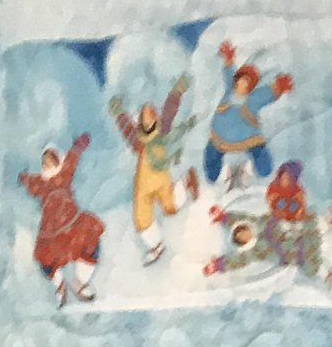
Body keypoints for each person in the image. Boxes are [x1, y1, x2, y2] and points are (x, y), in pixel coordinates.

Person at [109, 77, 199, 265]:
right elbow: (126, 127)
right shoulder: (138, 140)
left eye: (151, 116)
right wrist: (118, 112)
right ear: (141, 121)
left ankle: (186, 182)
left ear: (155, 118)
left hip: (161, 180)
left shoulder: (162, 130)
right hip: (143, 186)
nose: (148, 121)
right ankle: (156, 245)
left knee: (171, 208)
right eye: (145, 118)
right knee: (142, 219)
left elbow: (170, 109)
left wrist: (178, 90)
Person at [204, 163, 331, 284]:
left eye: (243, 232)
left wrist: (223, 217)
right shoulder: (255, 250)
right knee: (311, 260)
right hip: (293, 249)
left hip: (293, 226)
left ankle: (328, 223)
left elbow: (238, 218)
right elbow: (239, 260)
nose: (245, 235)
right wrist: (218, 265)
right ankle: (325, 272)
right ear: (244, 243)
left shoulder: (257, 223)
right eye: (243, 238)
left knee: (310, 222)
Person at [19, 134, 103, 306]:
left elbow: (72, 158)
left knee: (90, 244)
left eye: (51, 160)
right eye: (45, 161)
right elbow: (30, 181)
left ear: (58, 160)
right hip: (51, 232)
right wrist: (23, 178)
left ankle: (81, 282)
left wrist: (78, 146)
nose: (48, 164)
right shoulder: (40, 182)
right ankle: (59, 285)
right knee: (46, 260)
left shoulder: (64, 174)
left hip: (73, 224)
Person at [203, 41, 292, 186]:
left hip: (247, 136)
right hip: (221, 135)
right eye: (240, 80)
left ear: (251, 86)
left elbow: (266, 94)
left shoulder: (254, 98)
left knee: (259, 152)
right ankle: (212, 174)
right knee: (212, 153)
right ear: (236, 81)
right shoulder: (230, 89)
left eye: (247, 83)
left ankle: (263, 169)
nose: (242, 85)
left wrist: (278, 87)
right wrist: (229, 58)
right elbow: (229, 72)